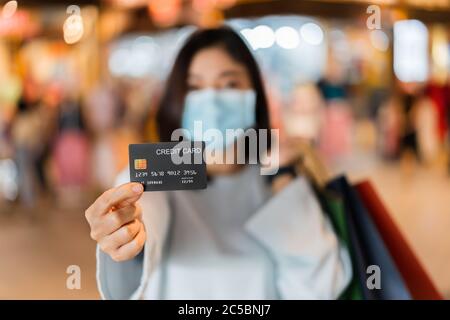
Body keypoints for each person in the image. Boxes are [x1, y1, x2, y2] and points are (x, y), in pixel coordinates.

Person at [85, 27, 352, 300]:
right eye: (195, 87)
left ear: (256, 94)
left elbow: (320, 288)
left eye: (229, 84)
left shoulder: (277, 180)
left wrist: (282, 176)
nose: (212, 101)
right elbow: (139, 235)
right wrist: (123, 236)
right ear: (177, 99)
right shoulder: (156, 176)